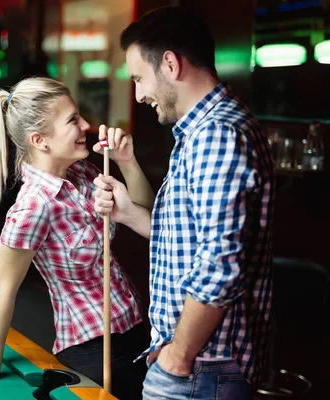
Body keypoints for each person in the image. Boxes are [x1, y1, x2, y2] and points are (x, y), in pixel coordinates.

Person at [93, 6, 275, 399]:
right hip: (203, 363)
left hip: (203, 365)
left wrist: (178, 355)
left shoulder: (215, 135)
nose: (139, 94)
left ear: (171, 64)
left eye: (140, 78)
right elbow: (190, 240)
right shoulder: (205, 129)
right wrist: (126, 213)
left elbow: (220, 265)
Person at [0, 77, 148, 399]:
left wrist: (127, 162)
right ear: (40, 140)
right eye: (73, 120)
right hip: (94, 351)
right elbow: (4, 288)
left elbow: (145, 213)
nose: (86, 125)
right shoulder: (33, 206)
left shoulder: (84, 172)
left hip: (136, 328)